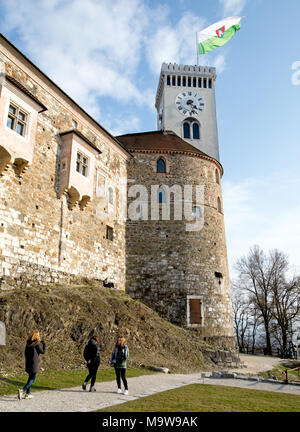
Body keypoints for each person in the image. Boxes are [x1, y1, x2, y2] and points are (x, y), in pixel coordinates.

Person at [18, 330, 46, 400]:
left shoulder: (28, 343)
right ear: (36, 336)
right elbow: (43, 352)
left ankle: (28, 393)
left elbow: (25, 353)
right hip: (34, 363)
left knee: (30, 377)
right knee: (33, 379)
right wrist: (44, 344)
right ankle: (22, 390)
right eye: (38, 335)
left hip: (28, 363)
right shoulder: (36, 344)